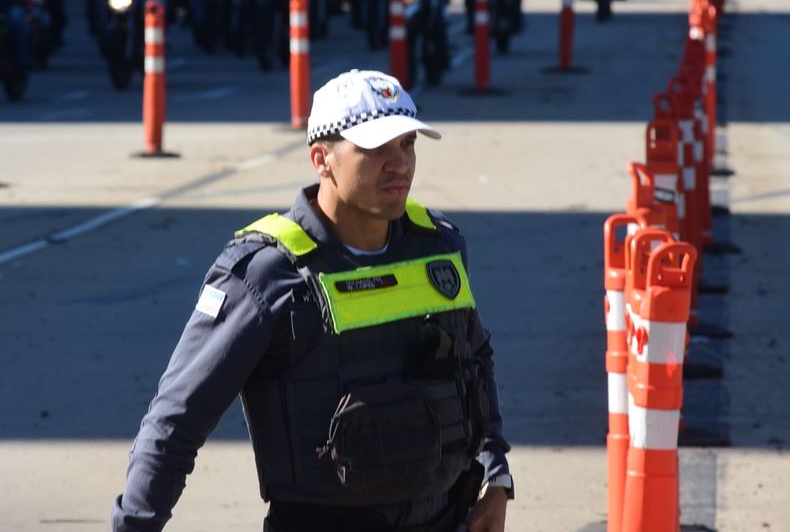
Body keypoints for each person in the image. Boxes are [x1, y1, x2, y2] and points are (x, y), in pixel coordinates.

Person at [112, 69, 513, 532]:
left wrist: (495, 477)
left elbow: (476, 365)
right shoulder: (263, 274)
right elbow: (176, 421)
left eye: (407, 144)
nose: (400, 164)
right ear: (322, 159)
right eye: (375, 149)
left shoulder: (438, 246)